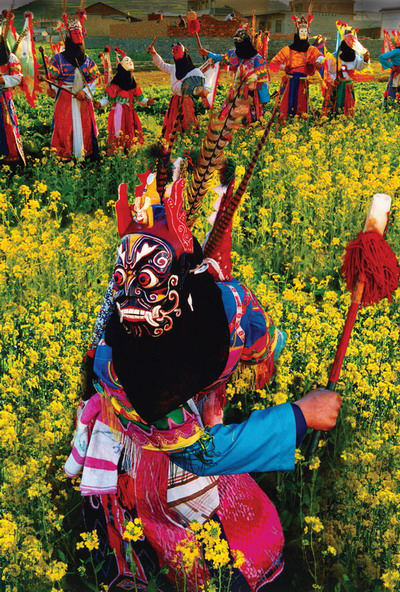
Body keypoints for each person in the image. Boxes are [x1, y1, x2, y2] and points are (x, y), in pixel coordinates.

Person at [65, 166, 342, 591]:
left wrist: (265, 357)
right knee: (192, 532)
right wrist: (300, 415)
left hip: (181, 425)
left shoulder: (219, 306)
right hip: (153, 454)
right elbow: (200, 455)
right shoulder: (133, 372)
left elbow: (258, 336)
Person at [47, 10, 100, 159]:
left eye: (80, 33)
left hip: (83, 100)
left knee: (84, 127)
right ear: (69, 36)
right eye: (76, 33)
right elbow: (53, 80)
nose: (79, 36)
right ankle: (65, 157)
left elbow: (95, 79)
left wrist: (85, 92)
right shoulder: (57, 59)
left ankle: (85, 155)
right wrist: (51, 89)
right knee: (64, 128)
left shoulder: (88, 60)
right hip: (65, 98)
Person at [199, 26, 270, 122]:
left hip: (251, 96)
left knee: (248, 121)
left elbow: (262, 81)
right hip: (235, 93)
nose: (239, 48)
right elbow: (221, 58)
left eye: (241, 45)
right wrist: (207, 53)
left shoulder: (258, 60)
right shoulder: (235, 54)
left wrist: (264, 99)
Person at [94, 49, 155, 151]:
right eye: (128, 73)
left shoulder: (133, 84)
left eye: (131, 73)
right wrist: (99, 104)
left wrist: (147, 102)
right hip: (117, 112)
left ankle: (130, 151)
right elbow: (107, 99)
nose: (130, 75)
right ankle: (117, 152)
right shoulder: (114, 85)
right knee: (118, 132)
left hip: (130, 113)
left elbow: (140, 99)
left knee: (130, 132)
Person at [148, 42, 209, 142]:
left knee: (187, 122)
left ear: (184, 53)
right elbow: (161, 65)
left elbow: (204, 83)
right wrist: (154, 53)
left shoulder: (194, 71)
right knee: (172, 122)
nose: (175, 53)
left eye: (177, 50)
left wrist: (206, 91)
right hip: (174, 101)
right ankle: (171, 142)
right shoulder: (173, 69)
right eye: (173, 51)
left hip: (186, 101)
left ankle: (189, 141)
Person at [269, 13, 324, 120]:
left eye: (305, 32)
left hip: (302, 82)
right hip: (289, 81)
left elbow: (320, 56)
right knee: (285, 103)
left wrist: (318, 61)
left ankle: (300, 122)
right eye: (301, 31)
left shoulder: (311, 50)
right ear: (297, 33)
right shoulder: (287, 50)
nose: (303, 34)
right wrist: (285, 67)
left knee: (301, 103)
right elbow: (274, 63)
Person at [322, 23, 371, 118]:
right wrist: (333, 79)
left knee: (347, 106)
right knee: (334, 106)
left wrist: (365, 60)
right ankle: (332, 119)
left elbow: (360, 67)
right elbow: (327, 72)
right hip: (336, 85)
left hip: (348, 85)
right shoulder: (333, 57)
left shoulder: (355, 57)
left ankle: (345, 119)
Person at [0, 10, 25, 165]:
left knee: (6, 127)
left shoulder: (9, 58)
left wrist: (3, 79)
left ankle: (10, 158)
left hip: (3, 99)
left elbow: (18, 77)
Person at [379, 34, 400, 108]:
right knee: (394, 89)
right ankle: (391, 106)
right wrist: (391, 66)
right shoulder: (397, 51)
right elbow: (382, 57)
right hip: (397, 73)